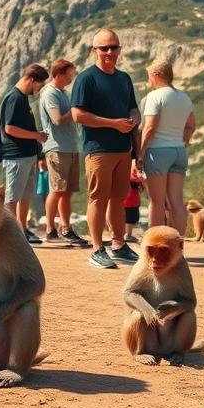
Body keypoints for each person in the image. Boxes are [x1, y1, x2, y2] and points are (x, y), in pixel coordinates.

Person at [70, 29, 141, 269]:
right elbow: (77, 115)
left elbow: (133, 108)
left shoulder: (124, 78)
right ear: (94, 51)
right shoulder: (86, 78)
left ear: (120, 49)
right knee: (98, 199)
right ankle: (97, 249)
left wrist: (133, 117)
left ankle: (119, 245)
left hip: (123, 149)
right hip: (98, 149)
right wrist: (114, 124)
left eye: (114, 47)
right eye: (104, 48)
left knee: (118, 199)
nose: (110, 52)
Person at [136, 59, 196, 235]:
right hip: (179, 151)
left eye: (149, 76)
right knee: (177, 200)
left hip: (158, 152)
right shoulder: (184, 97)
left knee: (157, 201)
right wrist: (184, 140)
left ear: (156, 75)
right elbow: (191, 125)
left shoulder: (155, 96)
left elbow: (150, 127)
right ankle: (178, 244)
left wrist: (140, 153)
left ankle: (154, 243)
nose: (149, 81)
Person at [39, 58, 89, 247]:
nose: (71, 78)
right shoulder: (50, 94)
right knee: (57, 190)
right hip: (57, 148)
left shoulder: (64, 93)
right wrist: (75, 112)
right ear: (59, 74)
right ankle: (51, 229)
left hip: (70, 147)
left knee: (67, 192)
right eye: (69, 75)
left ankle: (65, 228)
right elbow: (57, 120)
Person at [0, 63, 50, 244]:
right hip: (16, 156)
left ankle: (22, 230)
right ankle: (10, 235)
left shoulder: (22, 98)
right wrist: (37, 135)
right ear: (32, 79)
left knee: (25, 195)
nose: (39, 89)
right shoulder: (15, 98)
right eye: (40, 85)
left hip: (27, 155)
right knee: (12, 197)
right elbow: (10, 128)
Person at [123, 162, 143, 243]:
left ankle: (126, 234)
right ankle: (127, 235)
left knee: (130, 216)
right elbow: (138, 177)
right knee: (131, 217)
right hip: (130, 197)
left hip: (130, 196)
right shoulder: (134, 164)